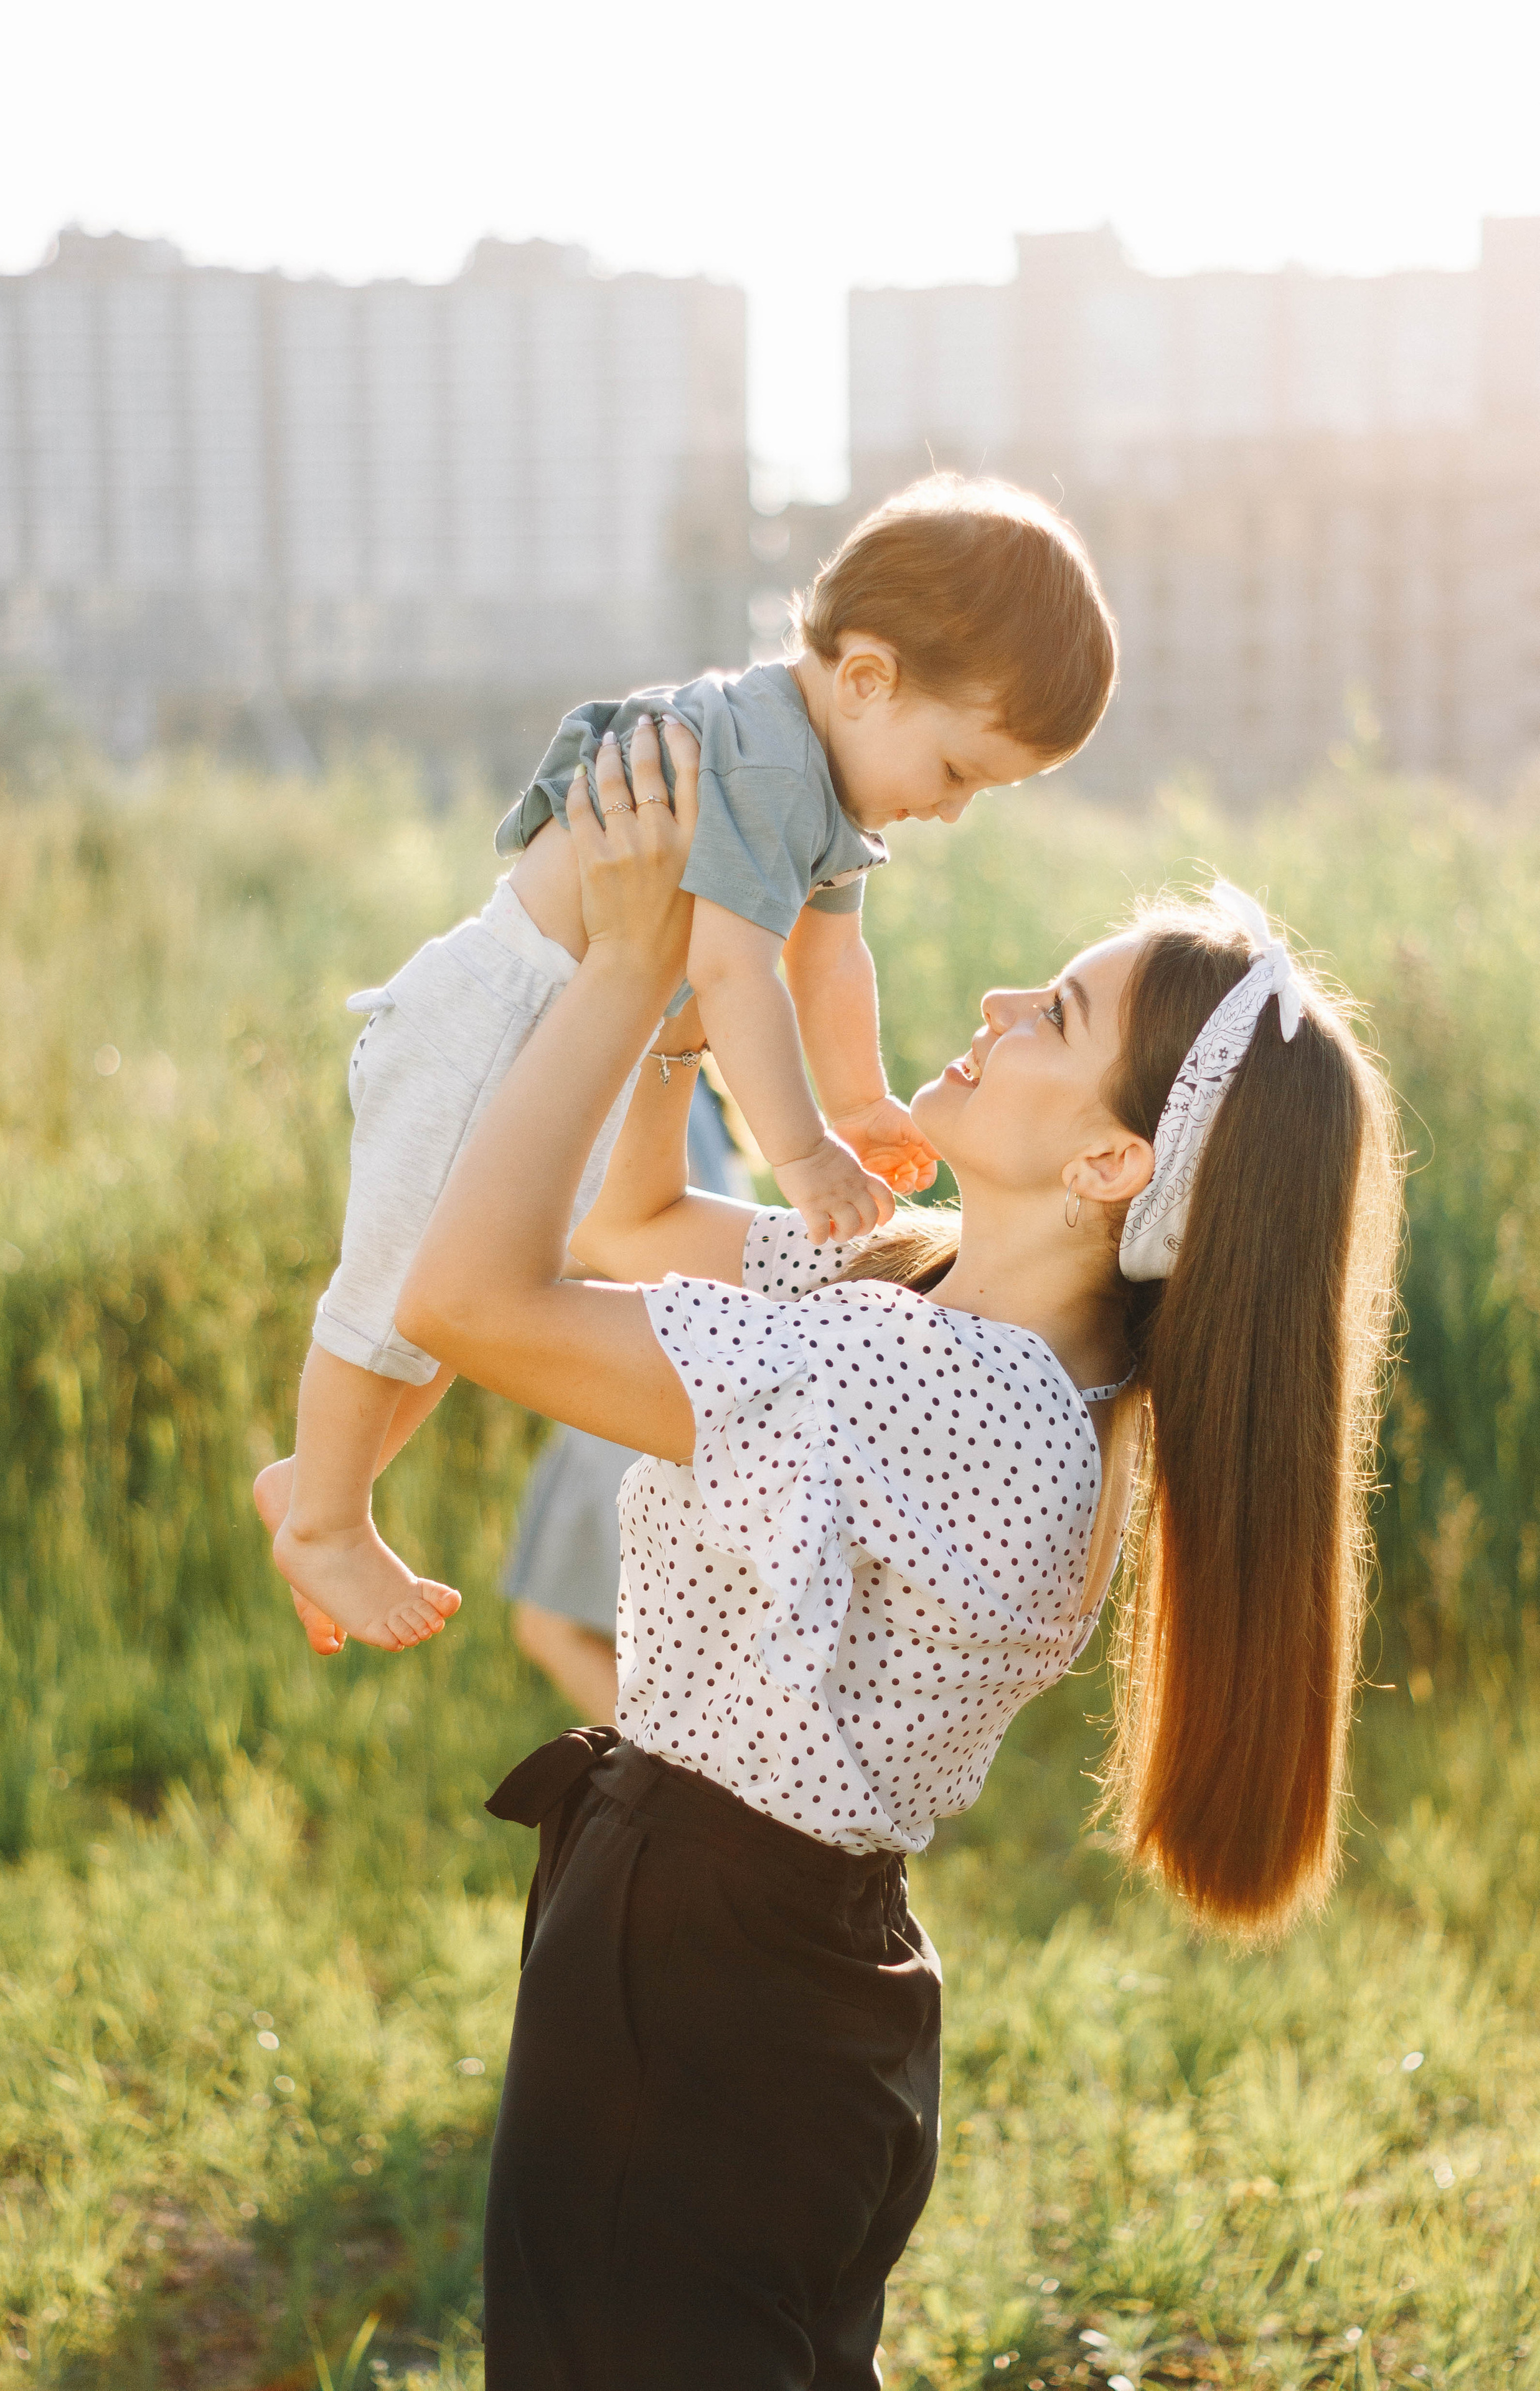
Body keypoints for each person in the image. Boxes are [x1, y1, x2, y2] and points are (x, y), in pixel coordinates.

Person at [364, 719, 1401, 2390]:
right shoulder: (931, 1298)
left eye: (1053, 1016)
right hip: (744, 1970)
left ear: (1110, 1163)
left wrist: (624, 971)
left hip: (710, 1999)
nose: (997, 1005)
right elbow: (634, 1233)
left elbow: (465, 1300)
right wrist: (693, 1020)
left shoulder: (949, 1394)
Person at [253, 474, 1119, 1655]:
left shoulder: (822, 785)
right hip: (488, 1014)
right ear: (868, 680)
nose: (955, 811)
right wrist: (804, 1151)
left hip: (563, 1037)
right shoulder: (767, 767)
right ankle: (325, 1525)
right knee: (401, 1279)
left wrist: (860, 1098)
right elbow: (734, 976)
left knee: (454, 1299)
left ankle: (317, 1483)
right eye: (961, 772)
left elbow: (831, 961)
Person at [505, 1075, 753, 1721]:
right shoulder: (683, 1079)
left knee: (554, 1627)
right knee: (587, 1633)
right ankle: (690, 1786)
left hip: (630, 1392)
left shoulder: (644, 1075)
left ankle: (688, 1788)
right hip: (650, 1384)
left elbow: (655, 1249)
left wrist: (497, 1252)